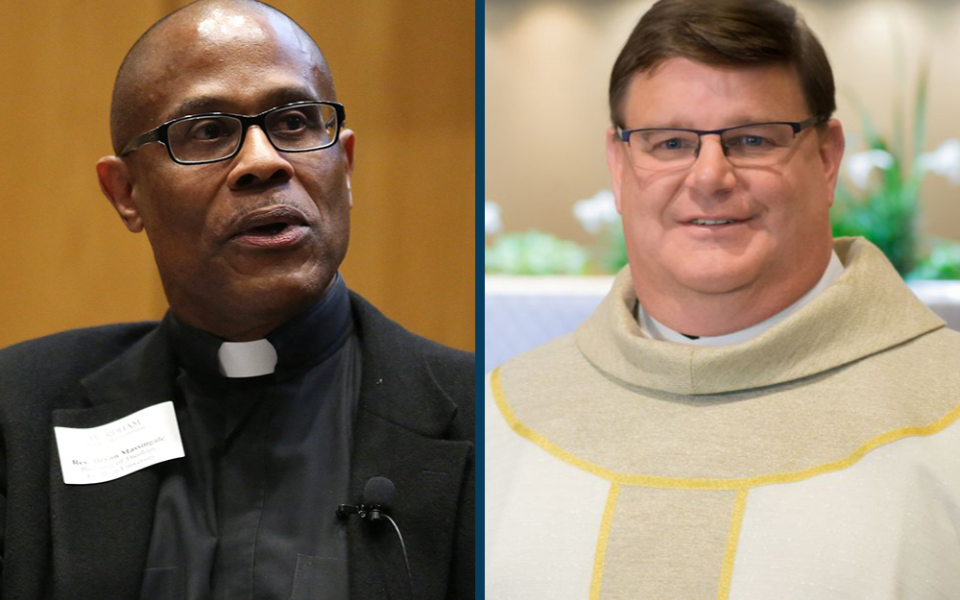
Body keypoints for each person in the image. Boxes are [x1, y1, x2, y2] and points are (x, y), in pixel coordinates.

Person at [486, 0, 960, 598]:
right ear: (618, 164)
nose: (710, 177)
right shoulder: (502, 417)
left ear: (826, 157)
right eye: (670, 143)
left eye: (753, 139)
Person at [0, 1, 474, 599]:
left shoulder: (481, 421)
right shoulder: (17, 416)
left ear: (345, 165)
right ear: (126, 194)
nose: (264, 162)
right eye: (206, 131)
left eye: (296, 121)